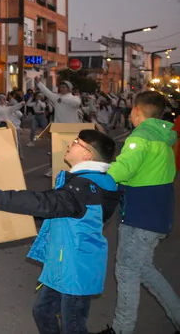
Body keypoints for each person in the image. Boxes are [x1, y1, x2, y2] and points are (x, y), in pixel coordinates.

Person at [0, 129, 120, 334]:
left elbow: (45, 203)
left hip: (75, 270)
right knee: (43, 311)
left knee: (73, 326)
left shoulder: (84, 187)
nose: (71, 143)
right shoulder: (92, 182)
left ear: (88, 155)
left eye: (77, 142)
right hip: (63, 265)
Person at [95, 91, 180, 334]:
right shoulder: (163, 138)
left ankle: (122, 329)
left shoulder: (139, 137)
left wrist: (95, 172)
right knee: (143, 269)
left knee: (127, 271)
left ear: (136, 111)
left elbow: (121, 170)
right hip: (157, 216)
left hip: (140, 218)